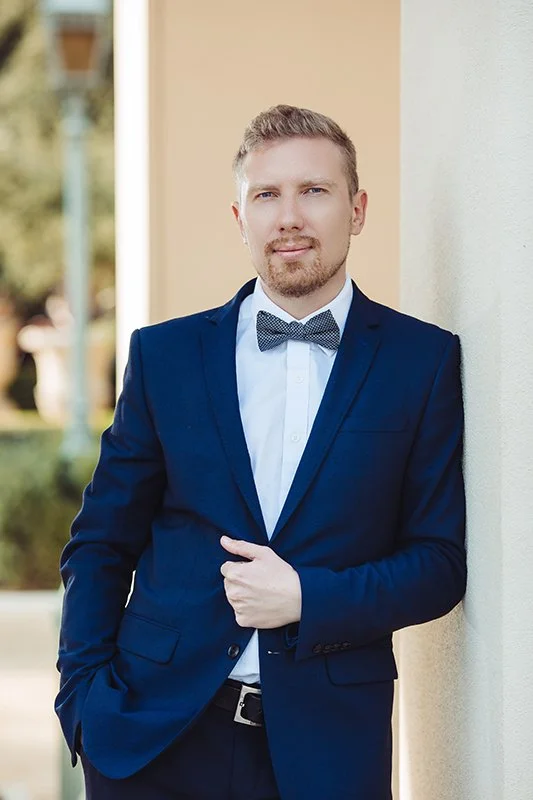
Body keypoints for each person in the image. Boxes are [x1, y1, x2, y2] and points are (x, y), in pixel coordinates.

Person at [55, 104, 467, 800]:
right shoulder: (166, 356)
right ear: (239, 217)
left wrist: (310, 596)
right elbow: (100, 542)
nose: (289, 217)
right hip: (154, 740)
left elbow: (437, 563)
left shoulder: (420, 362)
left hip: (328, 751)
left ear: (357, 209)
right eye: (266, 195)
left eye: (314, 191)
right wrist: (83, 702)